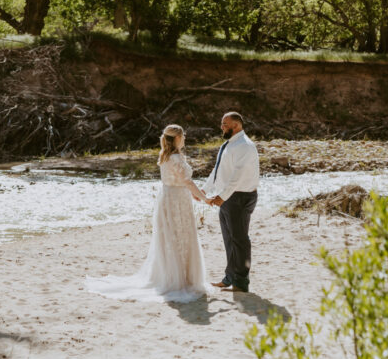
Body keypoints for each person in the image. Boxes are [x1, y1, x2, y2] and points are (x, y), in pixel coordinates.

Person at [85, 124, 209, 303]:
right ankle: (180, 280)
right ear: (177, 139)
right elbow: (187, 182)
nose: (184, 139)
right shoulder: (175, 158)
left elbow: (179, 180)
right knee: (180, 236)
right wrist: (204, 198)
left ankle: (175, 277)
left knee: (170, 237)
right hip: (177, 201)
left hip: (168, 197)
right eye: (183, 137)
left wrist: (193, 194)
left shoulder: (165, 156)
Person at [204, 111, 260, 293]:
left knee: (240, 240)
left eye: (225, 124)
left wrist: (222, 196)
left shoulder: (245, 146)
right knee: (229, 239)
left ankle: (241, 283)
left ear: (237, 125)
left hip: (240, 197)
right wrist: (205, 189)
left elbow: (238, 175)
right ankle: (229, 277)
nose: (222, 127)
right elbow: (218, 169)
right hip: (228, 198)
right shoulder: (228, 145)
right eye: (222, 123)